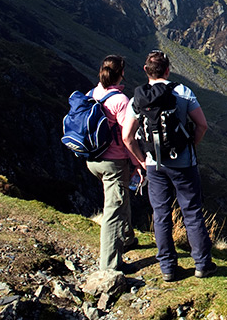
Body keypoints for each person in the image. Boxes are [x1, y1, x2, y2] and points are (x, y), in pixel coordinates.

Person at [122, 50, 216, 281]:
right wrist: (191, 144)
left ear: (146, 70)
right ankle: (202, 265)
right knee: (191, 211)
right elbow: (202, 125)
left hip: (154, 164)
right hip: (183, 162)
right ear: (168, 70)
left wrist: (142, 160)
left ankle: (167, 268)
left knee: (161, 213)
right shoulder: (182, 92)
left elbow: (127, 136)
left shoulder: (138, 99)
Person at [86, 54, 143, 273]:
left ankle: (127, 238)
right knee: (113, 210)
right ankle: (109, 265)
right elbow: (127, 137)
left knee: (120, 197)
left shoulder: (93, 93)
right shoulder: (121, 101)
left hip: (93, 160)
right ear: (121, 74)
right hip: (113, 162)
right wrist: (137, 161)